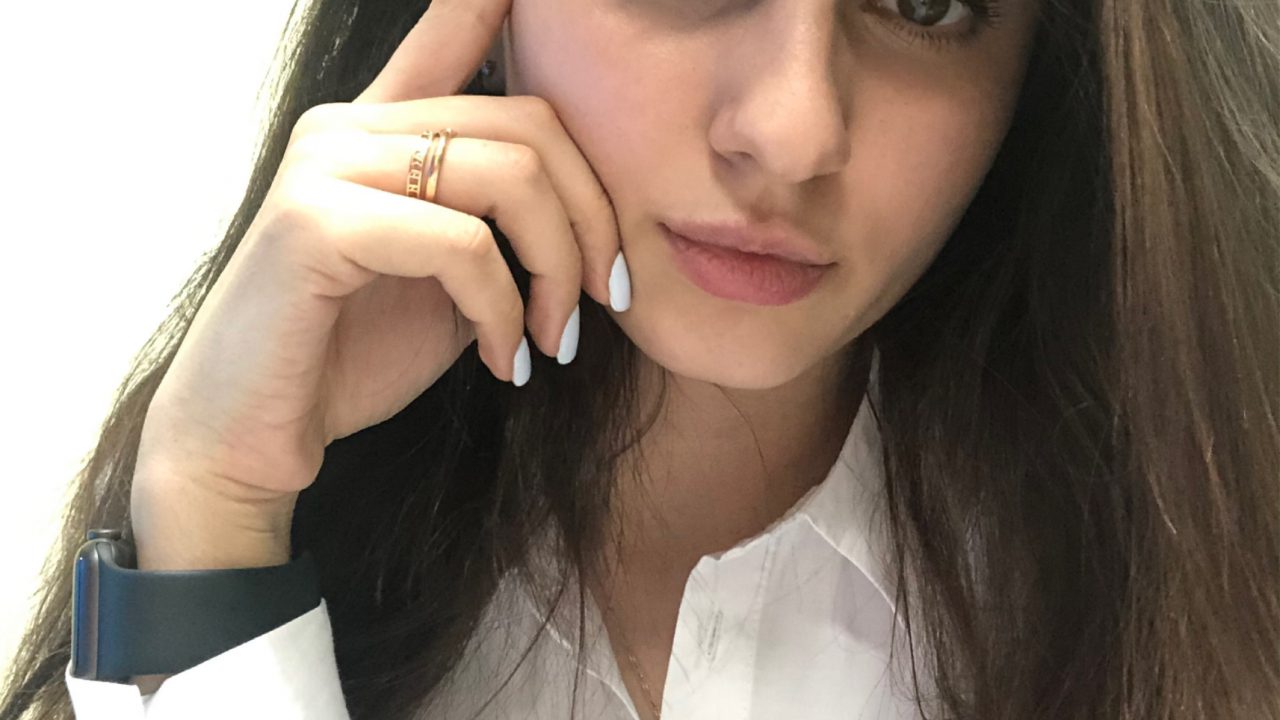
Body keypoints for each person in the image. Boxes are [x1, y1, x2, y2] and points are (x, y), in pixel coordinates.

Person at [2, 0, 1277, 717]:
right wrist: (215, 524)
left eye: (925, 0)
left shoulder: (1195, 609)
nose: (790, 130)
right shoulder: (330, 532)